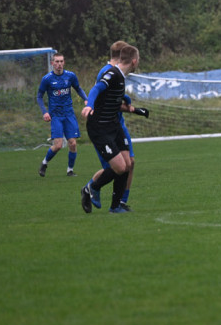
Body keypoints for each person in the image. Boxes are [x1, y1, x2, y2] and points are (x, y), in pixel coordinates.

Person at [87, 41, 148, 211]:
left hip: (114, 125)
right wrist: (89, 105)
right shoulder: (111, 73)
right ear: (134, 61)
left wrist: (132, 107)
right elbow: (96, 89)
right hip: (100, 127)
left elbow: (115, 99)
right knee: (119, 167)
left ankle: (116, 206)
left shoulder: (121, 76)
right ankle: (93, 187)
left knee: (128, 164)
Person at [36, 52, 89, 177]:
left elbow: (78, 88)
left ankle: (70, 170)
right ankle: (44, 162)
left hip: (69, 114)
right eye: (57, 61)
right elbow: (39, 96)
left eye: (61, 61)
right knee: (58, 145)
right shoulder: (47, 79)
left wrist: (86, 99)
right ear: (52, 63)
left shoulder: (70, 76)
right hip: (56, 115)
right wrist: (45, 112)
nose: (59, 64)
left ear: (64, 62)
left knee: (73, 143)